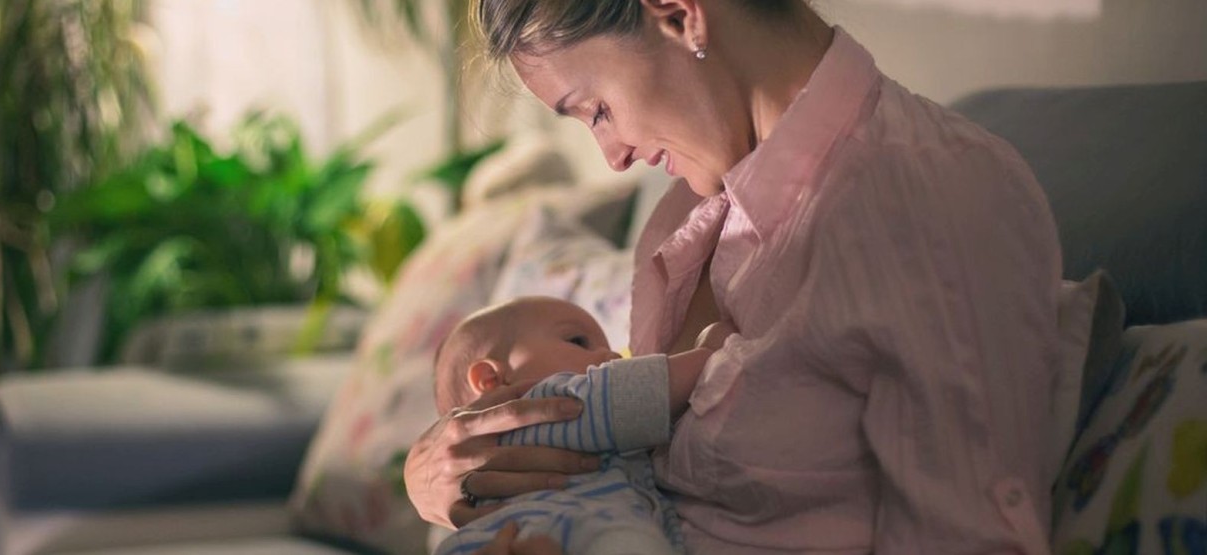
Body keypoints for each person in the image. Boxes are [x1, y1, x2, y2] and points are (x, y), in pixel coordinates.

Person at [405, 0, 1063, 553]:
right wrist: (448, 475)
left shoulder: (932, 197)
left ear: (677, 12)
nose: (611, 158)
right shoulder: (686, 216)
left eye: (596, 110)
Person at [432, 296, 730, 555]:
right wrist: (706, 353)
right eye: (578, 341)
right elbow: (636, 396)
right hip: (569, 527)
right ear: (491, 381)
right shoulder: (544, 404)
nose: (611, 356)